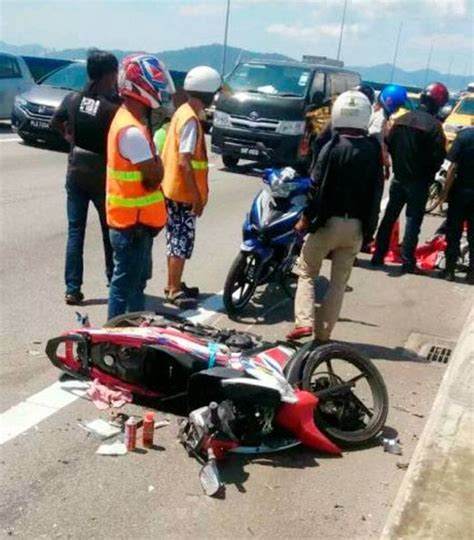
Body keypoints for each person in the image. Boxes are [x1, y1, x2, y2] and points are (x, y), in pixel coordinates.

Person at [287, 90, 384, 341]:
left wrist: (306, 219)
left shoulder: (331, 147)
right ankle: (323, 335)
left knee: (307, 271)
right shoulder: (374, 151)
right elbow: (376, 196)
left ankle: (304, 322)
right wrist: (369, 234)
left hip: (326, 223)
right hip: (355, 228)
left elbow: (315, 188)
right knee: (338, 284)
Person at [106, 54, 175, 319]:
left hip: (135, 225)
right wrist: (158, 161)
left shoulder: (130, 120)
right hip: (131, 227)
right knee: (124, 288)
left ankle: (133, 336)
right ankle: (114, 338)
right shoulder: (132, 131)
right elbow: (153, 176)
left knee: (134, 286)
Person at [51, 49, 120, 305]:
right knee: (108, 232)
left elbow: (55, 123)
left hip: (76, 172)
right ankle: (114, 281)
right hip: (103, 178)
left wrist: (71, 139)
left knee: (75, 232)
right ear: (109, 75)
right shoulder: (114, 107)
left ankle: (72, 288)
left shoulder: (73, 99)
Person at [371, 82, 449, 274]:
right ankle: (407, 261)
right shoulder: (434, 126)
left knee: (389, 217)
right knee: (413, 221)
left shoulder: (401, 120)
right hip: (419, 181)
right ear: (437, 104)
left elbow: (390, 144)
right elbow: (438, 156)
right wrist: (428, 174)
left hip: (400, 178)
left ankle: (378, 255)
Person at [161, 66, 222, 307]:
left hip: (172, 187)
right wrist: (196, 197)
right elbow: (186, 161)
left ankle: (172, 283)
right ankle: (174, 289)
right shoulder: (191, 121)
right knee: (180, 240)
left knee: (174, 238)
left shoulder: (181, 112)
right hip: (183, 192)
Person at [439, 127, 474, 284]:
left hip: (460, 192)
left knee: (454, 232)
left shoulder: (464, 137)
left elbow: (452, 167)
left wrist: (444, 193)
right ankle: (472, 273)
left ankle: (449, 270)